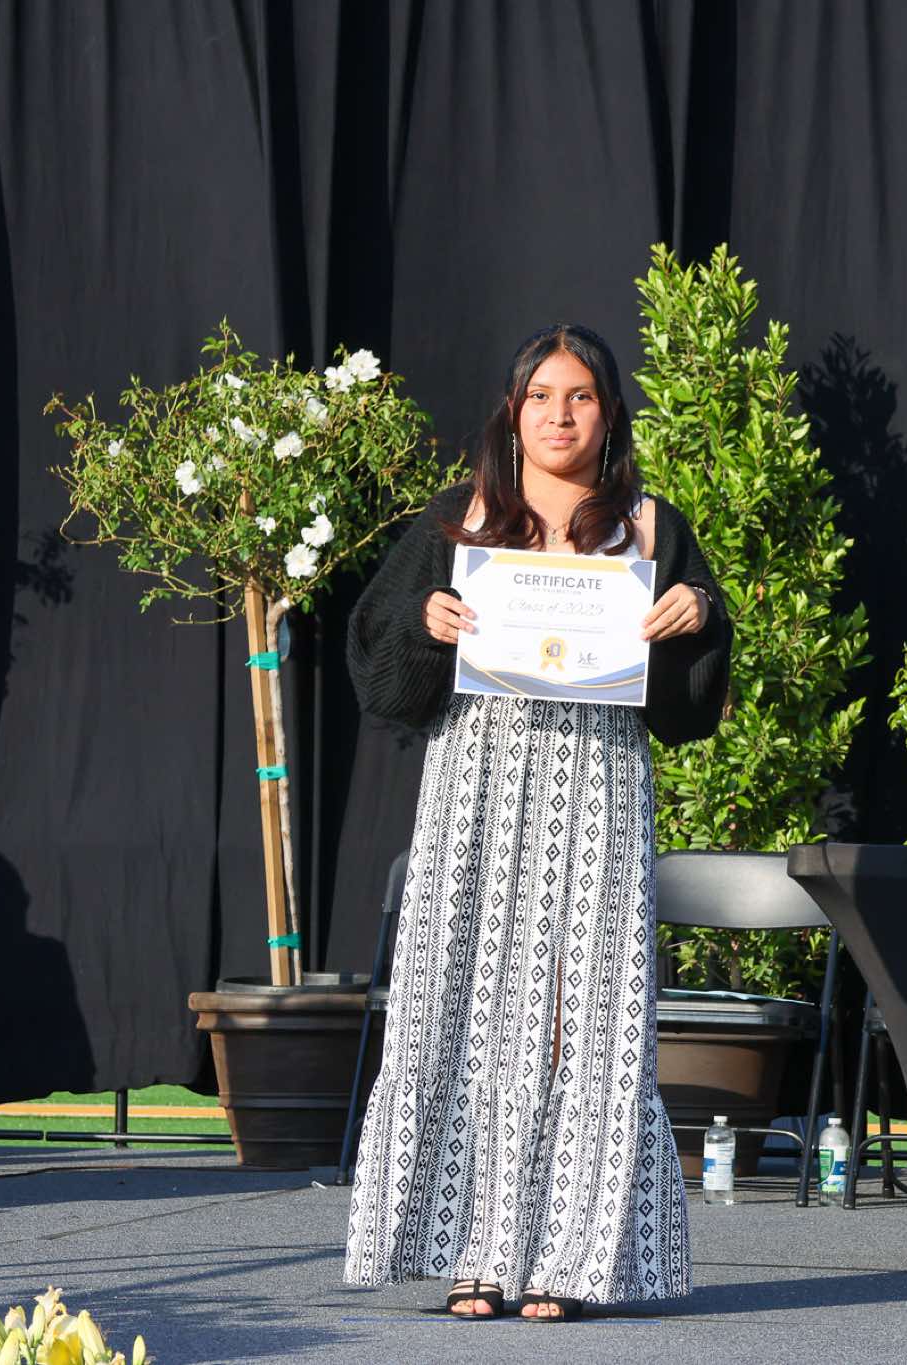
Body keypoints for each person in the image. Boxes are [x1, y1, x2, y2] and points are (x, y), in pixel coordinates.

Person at [341, 323, 730, 1321]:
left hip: (597, 788)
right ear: (512, 412)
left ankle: (569, 1260)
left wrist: (695, 614)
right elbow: (380, 669)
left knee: (585, 1019)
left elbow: (689, 709)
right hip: (473, 784)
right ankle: (475, 1252)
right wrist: (424, 624)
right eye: (541, 396)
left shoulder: (648, 527)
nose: (560, 415)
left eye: (580, 396)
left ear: (610, 412)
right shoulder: (459, 518)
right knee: (464, 1004)